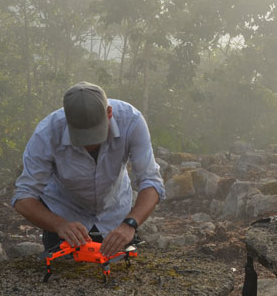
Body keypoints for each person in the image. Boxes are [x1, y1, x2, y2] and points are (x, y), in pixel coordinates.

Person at [12, 81, 165, 256]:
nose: (89, 144)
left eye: (96, 135)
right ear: (67, 121)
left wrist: (130, 223)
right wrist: (59, 224)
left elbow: (151, 180)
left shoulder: (131, 121)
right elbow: (23, 196)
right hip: (64, 215)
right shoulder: (47, 134)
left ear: (109, 113)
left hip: (115, 215)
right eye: (81, 138)